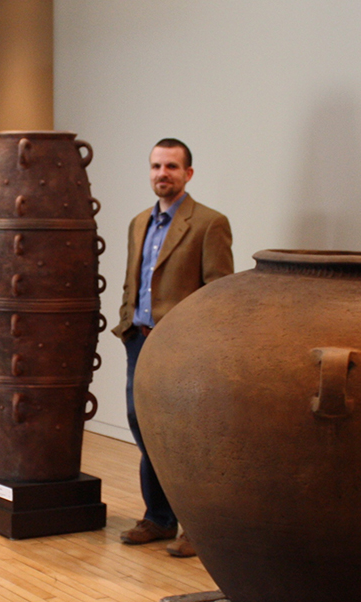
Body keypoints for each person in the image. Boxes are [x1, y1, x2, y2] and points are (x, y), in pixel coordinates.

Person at [112, 138, 233, 557]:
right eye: (156, 166)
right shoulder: (138, 222)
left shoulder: (209, 223)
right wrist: (127, 323)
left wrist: (200, 344)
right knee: (143, 428)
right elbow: (133, 281)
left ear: (188, 174)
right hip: (138, 342)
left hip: (181, 348)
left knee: (185, 436)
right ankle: (159, 518)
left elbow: (218, 291)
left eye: (171, 167)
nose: (162, 174)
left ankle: (197, 529)